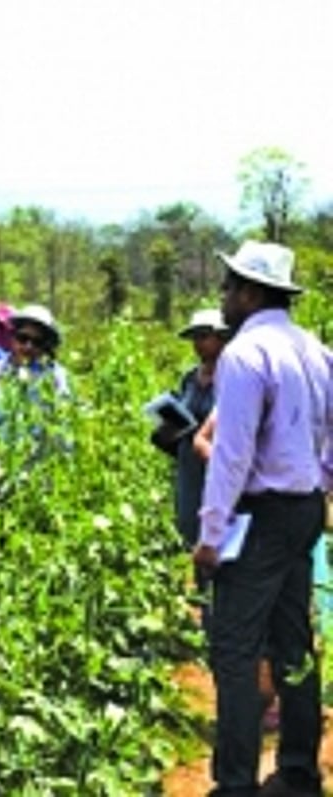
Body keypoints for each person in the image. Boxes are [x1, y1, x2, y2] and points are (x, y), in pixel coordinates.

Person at [193, 241, 331, 797]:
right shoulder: (316, 350)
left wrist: (210, 535)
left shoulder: (245, 355)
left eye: (229, 287)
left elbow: (232, 454)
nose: (223, 297)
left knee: (235, 649)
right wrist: (320, 489)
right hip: (304, 508)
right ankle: (299, 770)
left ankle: (235, 784)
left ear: (251, 293)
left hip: (260, 515)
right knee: (294, 640)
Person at [153, 309, 228, 549]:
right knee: (188, 529)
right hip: (189, 466)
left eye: (204, 336)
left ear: (222, 338)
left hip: (216, 464)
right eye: (194, 337)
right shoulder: (189, 378)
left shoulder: (233, 376)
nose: (198, 343)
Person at [0, 303, 70, 398]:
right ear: (12, 337)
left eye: (37, 342)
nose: (28, 346)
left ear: (44, 346)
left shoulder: (54, 377)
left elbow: (63, 403)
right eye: (23, 338)